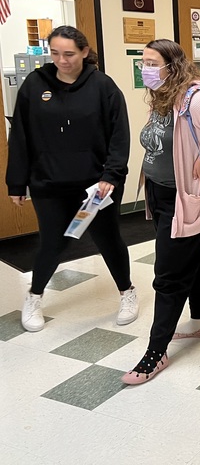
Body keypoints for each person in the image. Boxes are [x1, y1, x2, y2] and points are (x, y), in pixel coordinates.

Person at [122, 39, 200, 385]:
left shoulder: (195, 97)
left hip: (185, 197)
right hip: (159, 194)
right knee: (193, 258)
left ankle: (155, 354)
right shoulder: (162, 96)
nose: (145, 69)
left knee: (168, 275)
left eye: (152, 62)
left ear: (172, 66)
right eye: (143, 62)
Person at [6, 25, 137, 332]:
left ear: (84, 52)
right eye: (55, 53)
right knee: (52, 242)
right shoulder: (35, 84)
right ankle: (35, 295)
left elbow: (119, 135)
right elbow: (21, 137)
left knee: (108, 239)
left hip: (96, 185)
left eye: (68, 54)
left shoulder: (103, 86)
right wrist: (17, 182)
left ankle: (127, 292)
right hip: (48, 183)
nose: (61, 60)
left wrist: (112, 175)